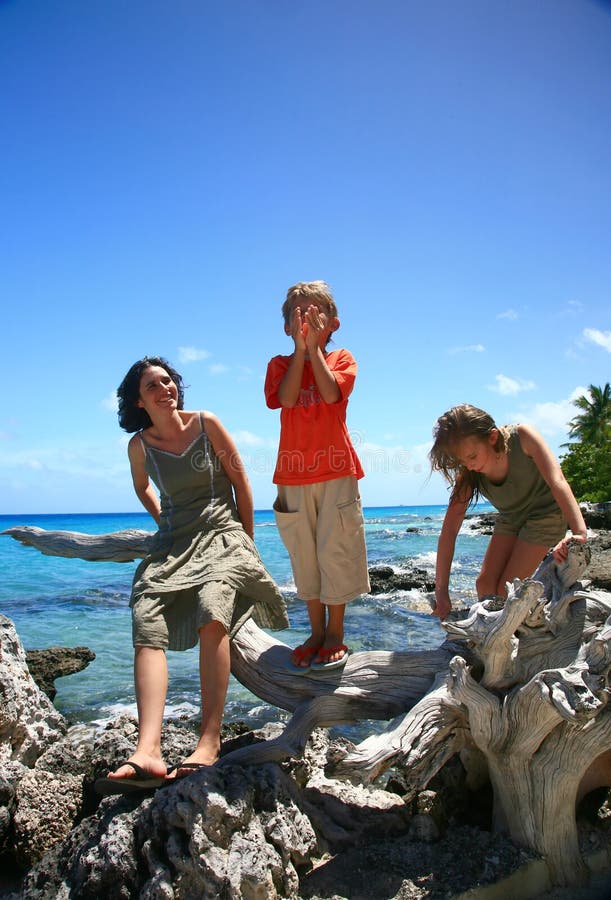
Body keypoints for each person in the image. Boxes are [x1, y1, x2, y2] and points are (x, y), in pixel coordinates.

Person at [97, 356, 288, 794]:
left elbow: (241, 483)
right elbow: (142, 486)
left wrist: (246, 545)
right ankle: (148, 750)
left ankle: (209, 739)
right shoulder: (139, 446)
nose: (165, 389)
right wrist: (162, 516)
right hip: (173, 543)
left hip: (223, 534)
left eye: (168, 381)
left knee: (211, 609)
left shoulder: (206, 423)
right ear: (138, 401)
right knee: (145, 618)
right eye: (153, 386)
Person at [264, 281, 370, 673]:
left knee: (335, 549)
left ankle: (335, 631)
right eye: (298, 314)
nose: (305, 319)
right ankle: (315, 629)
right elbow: (287, 398)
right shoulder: (279, 364)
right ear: (286, 327)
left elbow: (329, 394)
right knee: (304, 553)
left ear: (333, 323)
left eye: (314, 313)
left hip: (337, 469)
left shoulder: (342, 357)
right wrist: (300, 352)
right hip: (292, 476)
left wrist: (314, 352)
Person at [429, 403, 588, 621]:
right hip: (511, 517)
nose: (468, 465)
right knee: (484, 585)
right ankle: (493, 633)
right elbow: (449, 532)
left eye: (472, 456)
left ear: (492, 437)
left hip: (546, 514)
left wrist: (579, 532)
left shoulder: (522, 437)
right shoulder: (469, 473)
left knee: (506, 591)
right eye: (461, 460)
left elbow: (557, 480)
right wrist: (442, 591)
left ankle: (512, 635)